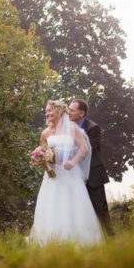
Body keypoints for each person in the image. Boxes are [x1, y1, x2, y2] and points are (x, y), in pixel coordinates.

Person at [26, 99, 104, 245]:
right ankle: (50, 241)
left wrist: (73, 162)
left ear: (58, 111)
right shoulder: (45, 133)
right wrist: (46, 168)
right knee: (51, 206)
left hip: (70, 174)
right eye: (46, 111)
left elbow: (84, 148)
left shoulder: (72, 128)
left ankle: (77, 241)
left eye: (49, 110)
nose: (46, 113)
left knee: (71, 205)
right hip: (52, 177)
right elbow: (42, 155)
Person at [68, 98, 114, 236]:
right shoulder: (66, 127)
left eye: (72, 110)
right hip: (75, 175)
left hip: (93, 174)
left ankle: (110, 238)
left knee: (100, 208)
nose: (68, 112)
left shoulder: (93, 128)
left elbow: (87, 150)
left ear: (81, 114)